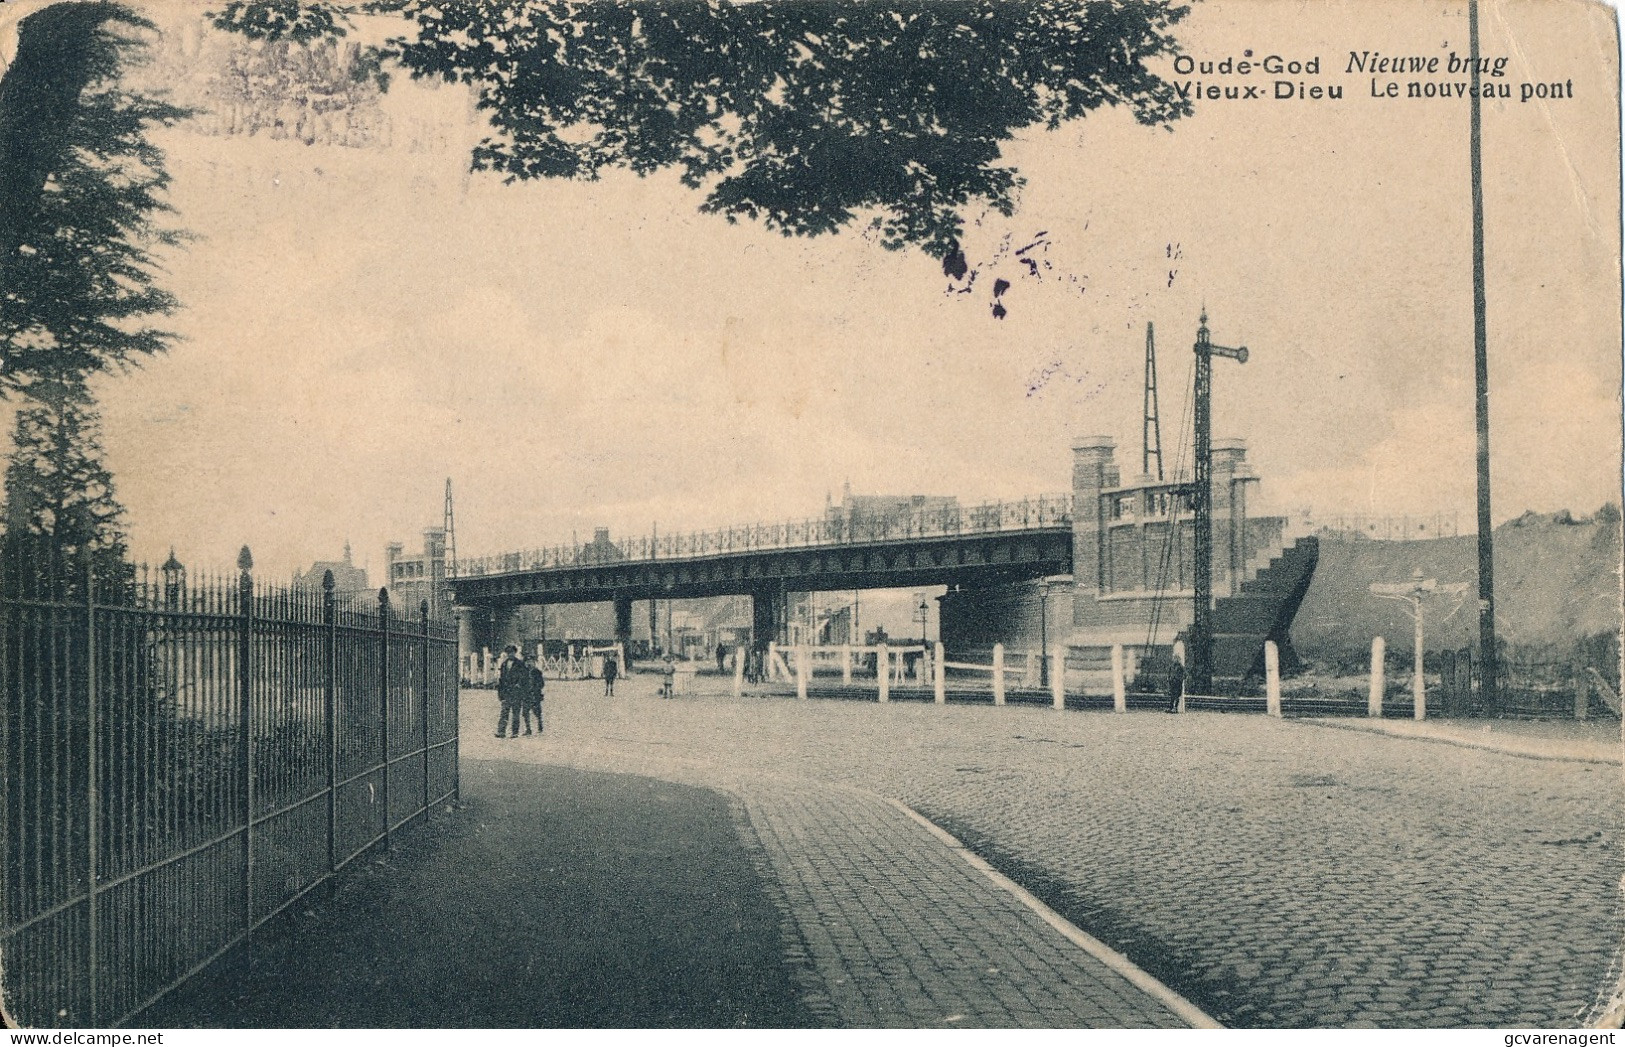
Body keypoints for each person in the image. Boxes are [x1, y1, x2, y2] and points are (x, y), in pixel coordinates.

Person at [495, 644, 524, 737]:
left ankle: (515, 732)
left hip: (516, 692)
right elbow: (501, 679)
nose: (510, 654)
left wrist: (519, 684)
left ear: (515, 653)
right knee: (504, 712)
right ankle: (501, 731)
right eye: (508, 653)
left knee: (515, 713)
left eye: (511, 652)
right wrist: (500, 693)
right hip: (506, 692)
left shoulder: (520, 664)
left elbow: (523, 677)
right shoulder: (504, 664)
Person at [521, 654, 545, 734]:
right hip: (526, 695)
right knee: (525, 712)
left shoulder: (537, 672)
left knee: (537, 711)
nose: (529, 663)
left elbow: (541, 683)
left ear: (534, 662)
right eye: (527, 662)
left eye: (531, 661)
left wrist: (536, 688)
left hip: (535, 695)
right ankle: (528, 729)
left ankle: (540, 724)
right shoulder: (523, 672)